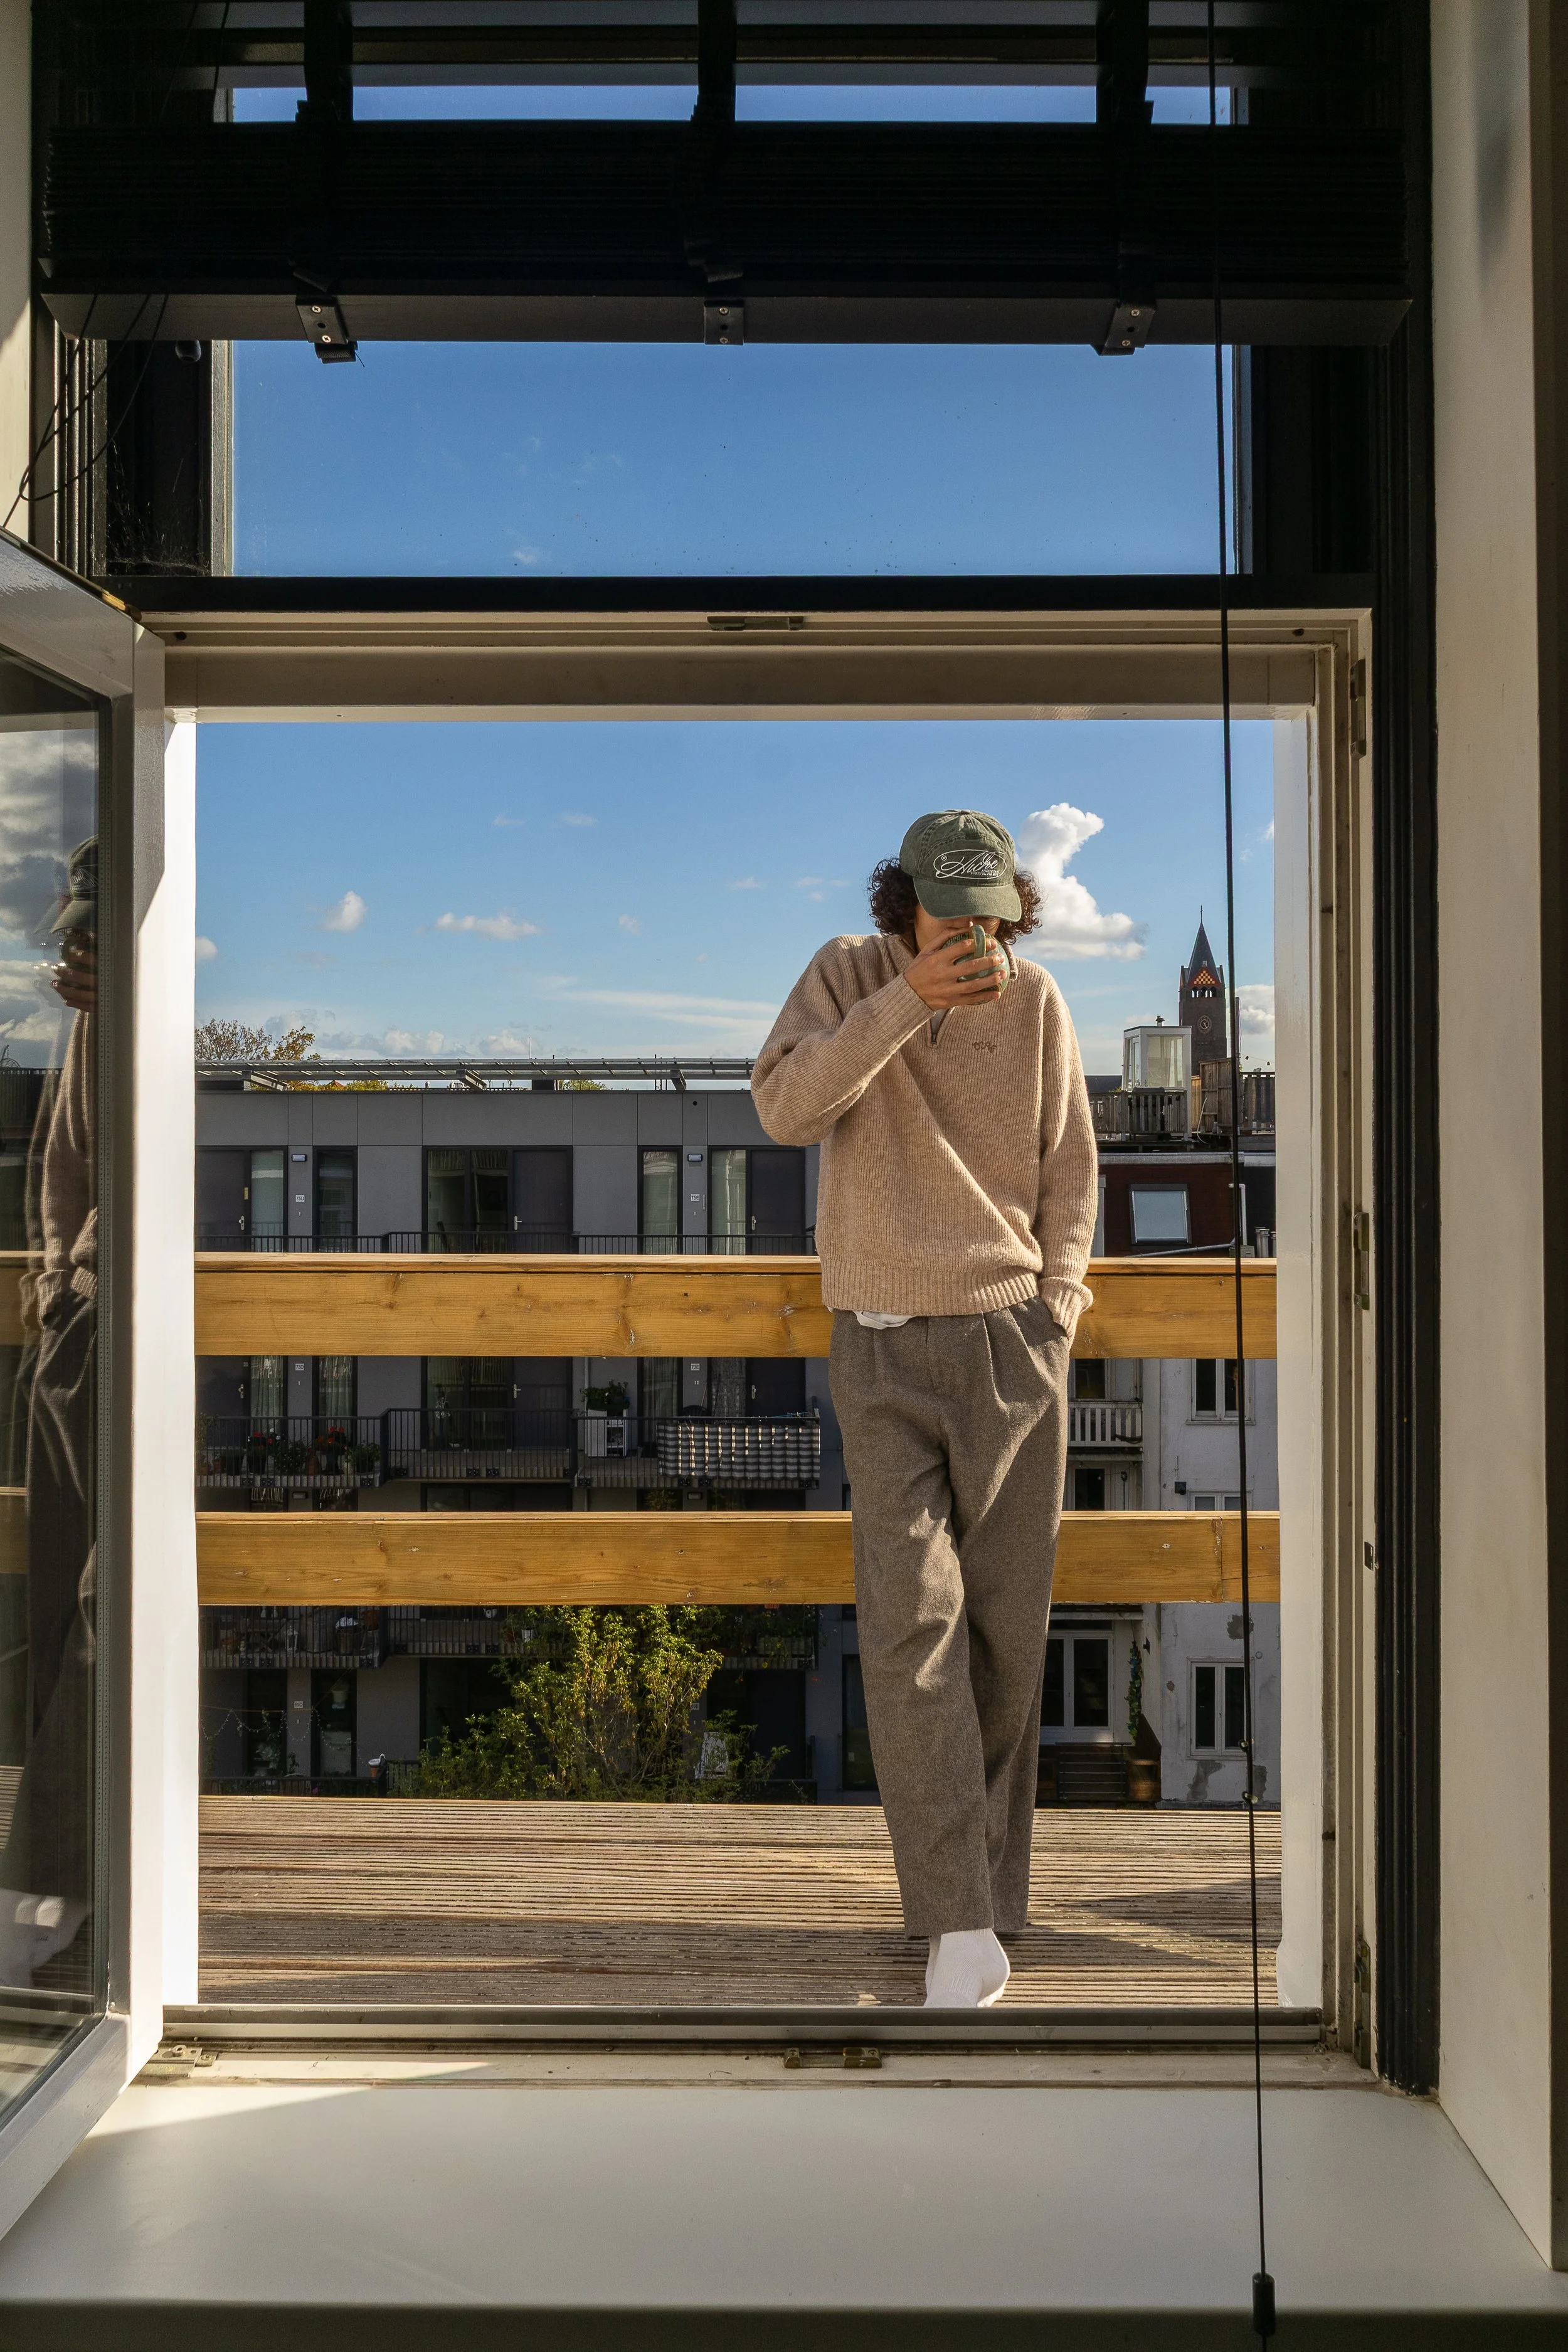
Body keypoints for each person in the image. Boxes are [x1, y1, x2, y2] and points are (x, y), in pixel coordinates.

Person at [753, 810, 1096, 2008]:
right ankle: (955, 1921)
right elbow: (786, 1109)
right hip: (884, 1350)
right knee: (912, 1634)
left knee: (1005, 1636)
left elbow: (1073, 1173)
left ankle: (989, 1910)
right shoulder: (848, 976)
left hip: (1011, 1345)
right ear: (903, 908)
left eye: (992, 916)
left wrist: (1057, 1310)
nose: (976, 938)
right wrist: (908, 1000)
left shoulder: (1041, 1003)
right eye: (951, 918)